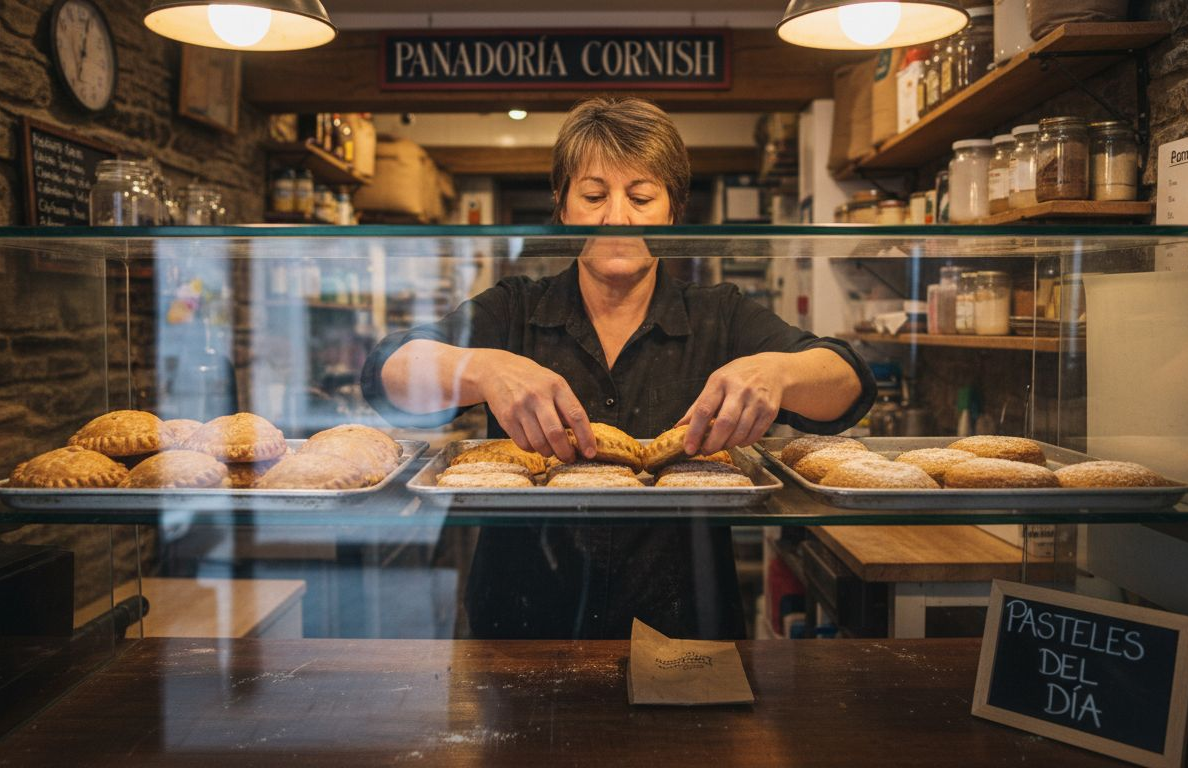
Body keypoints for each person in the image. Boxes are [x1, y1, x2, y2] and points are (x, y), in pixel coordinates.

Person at [361, 97, 875, 640]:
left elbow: (848, 381)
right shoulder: (515, 309)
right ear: (562, 207)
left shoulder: (718, 314)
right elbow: (387, 372)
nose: (616, 217)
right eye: (593, 195)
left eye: (641, 196)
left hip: (685, 623)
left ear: (673, 210)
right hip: (522, 618)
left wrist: (780, 372)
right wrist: (479, 367)